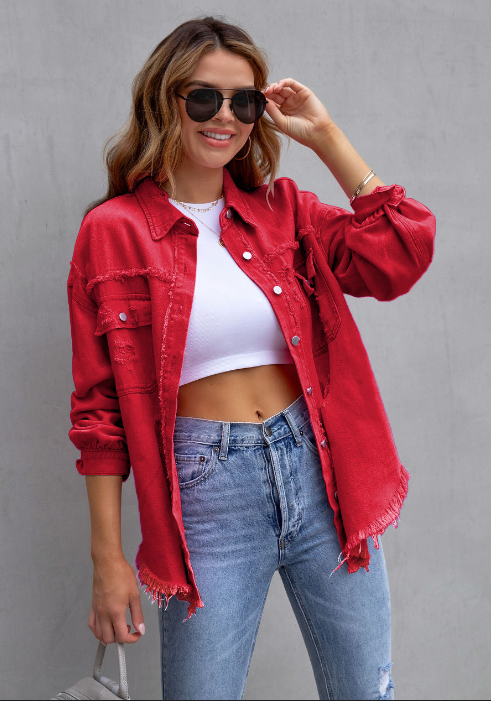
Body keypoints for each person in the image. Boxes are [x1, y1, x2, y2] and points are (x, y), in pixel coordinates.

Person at [66, 16, 435, 700]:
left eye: (244, 102)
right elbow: (99, 413)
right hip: (205, 492)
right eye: (205, 98)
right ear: (165, 101)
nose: (225, 117)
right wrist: (107, 557)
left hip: (319, 475)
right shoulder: (112, 231)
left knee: (367, 692)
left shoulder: (282, 210)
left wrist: (326, 136)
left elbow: (400, 253)